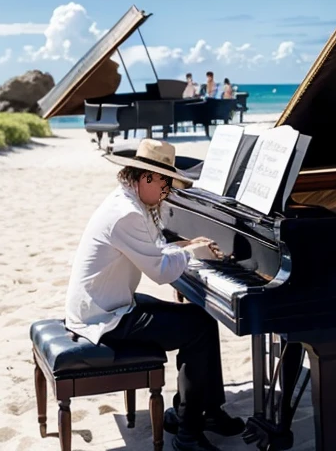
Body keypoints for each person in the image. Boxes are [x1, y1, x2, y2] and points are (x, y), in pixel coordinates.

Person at [64, 138, 244, 451]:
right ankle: (188, 431)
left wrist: (186, 247)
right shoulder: (128, 214)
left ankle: (208, 411)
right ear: (146, 177)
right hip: (103, 318)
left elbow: (156, 249)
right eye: (165, 185)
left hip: (109, 302)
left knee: (200, 317)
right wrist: (192, 255)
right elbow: (160, 272)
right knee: (198, 328)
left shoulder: (132, 202)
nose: (168, 193)